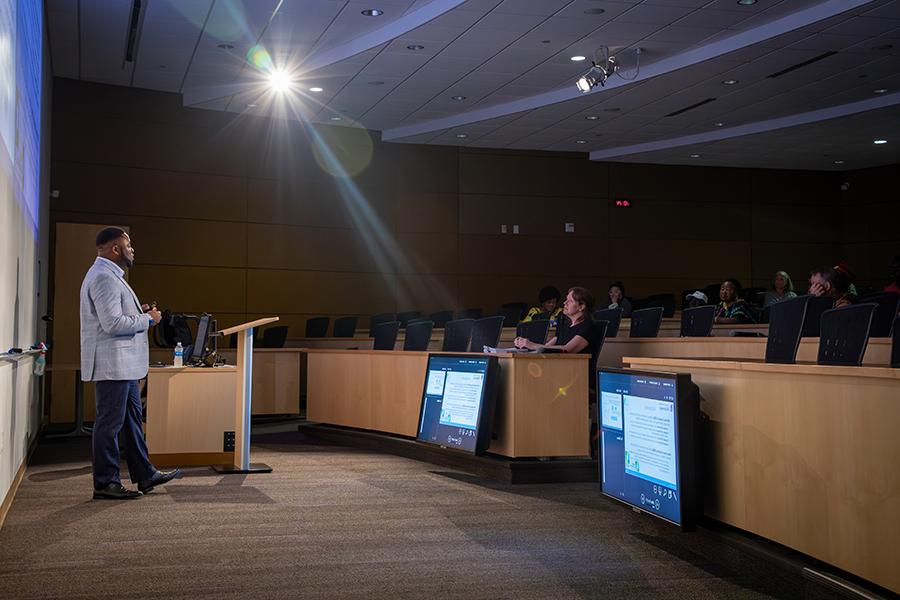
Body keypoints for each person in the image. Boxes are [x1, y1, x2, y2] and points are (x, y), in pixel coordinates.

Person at [80, 227, 180, 500]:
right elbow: (112, 324)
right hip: (113, 365)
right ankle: (105, 482)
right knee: (109, 424)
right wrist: (149, 320)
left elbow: (116, 316)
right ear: (115, 249)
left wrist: (139, 312)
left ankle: (145, 474)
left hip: (125, 365)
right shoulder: (104, 278)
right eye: (128, 245)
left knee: (132, 421)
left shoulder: (111, 276)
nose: (132, 249)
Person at [513, 287, 603, 377]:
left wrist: (532, 345)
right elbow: (547, 348)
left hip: (577, 376)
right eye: (566, 300)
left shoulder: (589, 327)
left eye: (570, 301)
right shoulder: (564, 323)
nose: (564, 303)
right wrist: (525, 345)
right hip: (559, 370)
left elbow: (566, 350)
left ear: (581, 306)